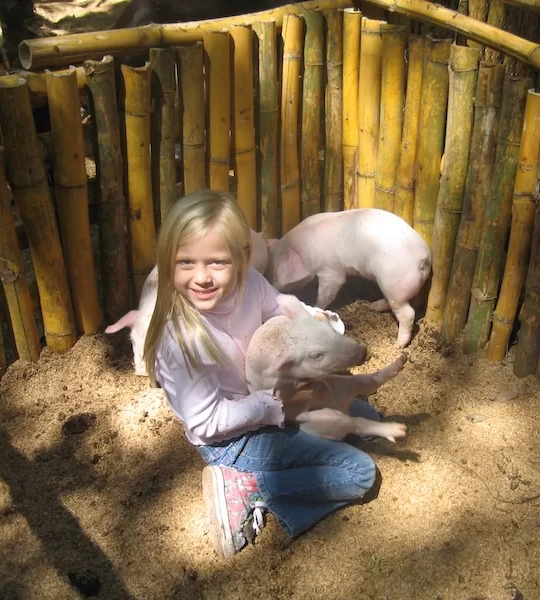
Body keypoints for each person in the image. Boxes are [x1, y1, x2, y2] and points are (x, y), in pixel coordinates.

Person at [142, 190, 381, 558]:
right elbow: (207, 422)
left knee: (366, 417)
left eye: (217, 262)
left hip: (269, 399)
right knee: (359, 473)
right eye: (185, 262)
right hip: (233, 439)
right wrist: (274, 407)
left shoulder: (248, 282)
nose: (202, 277)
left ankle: (292, 449)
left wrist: (310, 322)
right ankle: (250, 485)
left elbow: (278, 310)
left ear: (242, 258)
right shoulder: (182, 342)